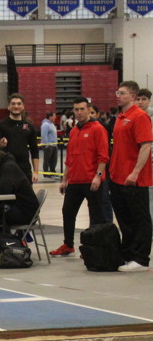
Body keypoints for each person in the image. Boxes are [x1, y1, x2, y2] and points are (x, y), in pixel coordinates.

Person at [50, 97, 109, 257]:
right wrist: (64, 180)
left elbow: (103, 156)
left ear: (88, 110)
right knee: (67, 212)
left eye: (82, 109)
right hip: (75, 181)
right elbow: (69, 158)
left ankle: (93, 247)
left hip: (92, 181)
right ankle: (68, 245)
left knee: (96, 215)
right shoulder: (74, 131)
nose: (79, 112)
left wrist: (98, 176)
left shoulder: (98, 129)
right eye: (76, 109)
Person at [108, 80, 153, 272]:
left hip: (134, 179)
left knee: (140, 219)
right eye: (117, 93)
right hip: (117, 177)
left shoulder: (139, 116)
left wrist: (135, 172)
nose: (118, 96)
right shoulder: (120, 117)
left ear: (133, 96)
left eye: (122, 93)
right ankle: (128, 254)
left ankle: (141, 259)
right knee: (124, 219)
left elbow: (146, 146)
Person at [0, 93, 39, 183]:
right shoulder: (0, 125)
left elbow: (34, 151)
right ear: (8, 106)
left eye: (19, 104)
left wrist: (36, 172)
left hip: (24, 170)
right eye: (13, 104)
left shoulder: (29, 127)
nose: (16, 106)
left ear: (23, 106)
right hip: (5, 169)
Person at [40, 111, 59, 178]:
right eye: (54, 116)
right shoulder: (45, 125)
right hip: (49, 146)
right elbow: (44, 135)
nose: (55, 117)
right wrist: (46, 145)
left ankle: (52, 172)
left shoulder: (52, 124)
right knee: (47, 160)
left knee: (54, 160)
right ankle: (46, 173)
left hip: (54, 145)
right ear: (50, 117)